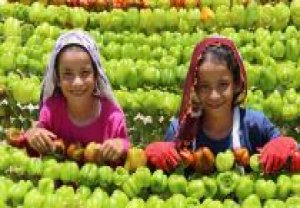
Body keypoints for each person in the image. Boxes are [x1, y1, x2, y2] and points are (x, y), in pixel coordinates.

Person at [145, 36, 300, 174]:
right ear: (195, 87)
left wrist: (288, 145)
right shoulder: (179, 129)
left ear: (237, 84)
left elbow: (291, 157)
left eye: (223, 84)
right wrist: (150, 159)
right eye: (205, 86)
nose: (214, 95)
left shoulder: (255, 125)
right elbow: (163, 172)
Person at [24, 30, 130, 163]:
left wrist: (121, 145)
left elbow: (126, 147)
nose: (77, 82)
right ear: (57, 78)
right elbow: (36, 140)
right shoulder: (51, 111)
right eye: (68, 74)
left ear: (96, 76)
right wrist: (32, 134)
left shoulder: (112, 117)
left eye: (85, 72)